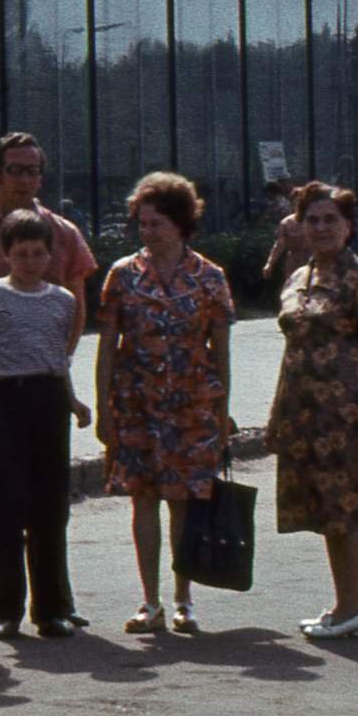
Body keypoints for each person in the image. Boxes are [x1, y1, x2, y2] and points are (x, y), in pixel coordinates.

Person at [0, 132, 99, 632]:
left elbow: (74, 307)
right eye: (15, 170)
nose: (25, 180)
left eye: (33, 170)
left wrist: (56, 364)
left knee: (51, 505)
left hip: (46, 384)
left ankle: (56, 604)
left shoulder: (64, 233)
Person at [95, 173, 233, 637]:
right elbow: (107, 348)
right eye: (142, 223)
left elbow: (221, 351)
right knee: (143, 499)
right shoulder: (122, 274)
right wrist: (104, 409)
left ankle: (183, 600)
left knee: (183, 502)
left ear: (179, 223)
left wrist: (222, 411)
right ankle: (149, 601)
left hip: (191, 404)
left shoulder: (209, 278)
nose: (147, 232)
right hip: (136, 403)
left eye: (156, 224)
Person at [266, 183, 358, 641]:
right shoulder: (298, 277)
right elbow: (292, 348)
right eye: (312, 220)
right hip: (304, 416)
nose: (320, 228)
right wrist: (277, 412)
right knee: (327, 511)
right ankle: (342, 605)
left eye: (330, 221)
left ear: (349, 227)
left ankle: (352, 608)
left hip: (349, 415)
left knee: (352, 508)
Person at [262, 183, 312, 284]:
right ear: (292, 203)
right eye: (296, 201)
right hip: (294, 265)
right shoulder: (286, 223)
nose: (298, 204)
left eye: (301, 201)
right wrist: (270, 263)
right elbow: (279, 245)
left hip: (314, 264)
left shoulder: (315, 221)